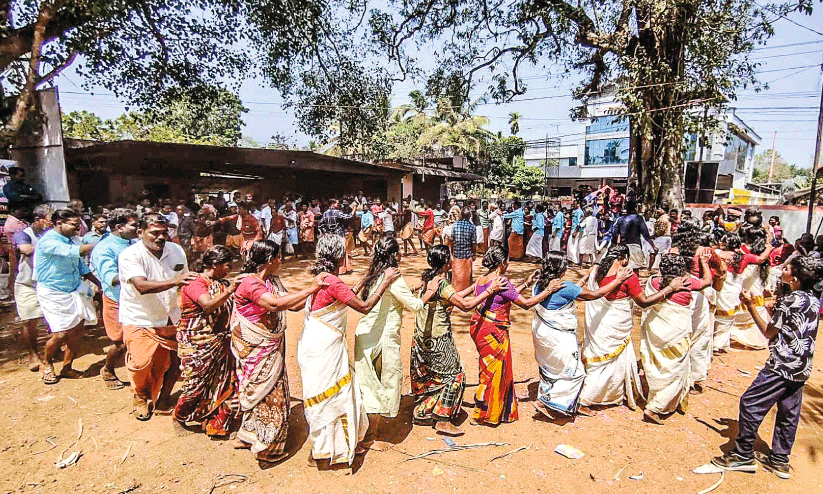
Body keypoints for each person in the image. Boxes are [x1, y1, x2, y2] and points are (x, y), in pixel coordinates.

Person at [712, 257, 823, 479]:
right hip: (801, 366)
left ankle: (743, 454)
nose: (782, 269)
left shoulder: (789, 300)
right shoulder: (812, 300)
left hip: (781, 365)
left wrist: (751, 305)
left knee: (750, 402)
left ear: (794, 278)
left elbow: (769, 332)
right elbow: (789, 324)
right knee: (788, 411)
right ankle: (780, 459)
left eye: (786, 268)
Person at [299, 234, 399, 467]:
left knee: (328, 395)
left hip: (317, 346)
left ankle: (325, 449)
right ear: (338, 255)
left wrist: (366, 276)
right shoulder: (333, 282)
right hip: (324, 348)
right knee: (333, 396)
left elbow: (346, 294)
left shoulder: (324, 278)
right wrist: (384, 280)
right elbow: (363, 307)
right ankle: (323, 451)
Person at [230, 240, 326, 463]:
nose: (281, 261)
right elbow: (274, 305)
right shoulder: (249, 284)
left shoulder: (271, 281)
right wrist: (312, 288)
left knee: (261, 390)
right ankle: (267, 448)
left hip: (269, 347)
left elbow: (290, 305)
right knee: (270, 394)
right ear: (270, 260)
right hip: (257, 349)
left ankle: (247, 436)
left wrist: (316, 294)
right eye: (279, 257)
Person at [580, 245, 688, 409]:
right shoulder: (627, 276)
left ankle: (610, 394)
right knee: (609, 363)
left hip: (599, 326)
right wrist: (669, 289)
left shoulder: (597, 271)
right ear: (623, 258)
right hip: (616, 325)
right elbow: (643, 302)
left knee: (602, 362)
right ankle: (586, 399)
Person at [412, 244, 504, 436]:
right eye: (450, 259)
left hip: (423, 338)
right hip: (438, 339)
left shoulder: (428, 278)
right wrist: (490, 290)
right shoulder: (442, 283)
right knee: (455, 376)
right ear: (446, 263)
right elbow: (464, 305)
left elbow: (452, 298)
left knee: (436, 378)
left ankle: (423, 412)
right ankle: (443, 421)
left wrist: (475, 286)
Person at [530, 251, 630, 418]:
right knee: (574, 372)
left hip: (542, 334)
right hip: (558, 337)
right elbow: (594, 295)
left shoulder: (540, 285)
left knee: (553, 367)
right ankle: (548, 403)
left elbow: (570, 292)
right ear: (561, 269)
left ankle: (548, 396)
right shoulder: (564, 287)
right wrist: (619, 280)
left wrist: (586, 276)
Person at [468, 246, 559, 425]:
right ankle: (487, 414)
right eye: (507, 261)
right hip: (494, 332)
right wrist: (548, 290)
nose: (508, 264)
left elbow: (504, 296)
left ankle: (489, 408)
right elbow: (525, 304)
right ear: (501, 263)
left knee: (487, 369)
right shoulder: (501, 281)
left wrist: (527, 283)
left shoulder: (481, 279)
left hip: (481, 329)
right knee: (494, 372)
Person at [118, 213, 196, 420]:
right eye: (154, 233)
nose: (161, 237)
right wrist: (176, 282)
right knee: (141, 363)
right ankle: (140, 396)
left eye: (164, 232)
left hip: (171, 314)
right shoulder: (130, 255)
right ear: (140, 232)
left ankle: (164, 399)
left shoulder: (176, 250)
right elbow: (141, 286)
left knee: (172, 361)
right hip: (140, 316)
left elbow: (186, 281)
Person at [354, 237, 424, 441]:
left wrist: (414, 288)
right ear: (394, 255)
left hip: (366, 336)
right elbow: (416, 306)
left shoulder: (373, 274)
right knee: (382, 384)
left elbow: (392, 296)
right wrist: (429, 290)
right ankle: (371, 437)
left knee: (368, 383)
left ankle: (366, 433)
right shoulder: (393, 278)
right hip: (382, 340)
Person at [173, 246, 238, 437]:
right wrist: (230, 290)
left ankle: (216, 424)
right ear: (215, 264)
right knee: (195, 384)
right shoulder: (196, 283)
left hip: (220, 342)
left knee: (223, 382)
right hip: (197, 343)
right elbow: (208, 305)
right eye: (227, 264)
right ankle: (179, 417)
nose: (230, 268)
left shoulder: (220, 283)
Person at [640, 253, 710, 424]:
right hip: (676, 333)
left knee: (659, 364)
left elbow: (647, 301)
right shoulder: (687, 282)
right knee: (675, 369)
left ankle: (656, 393)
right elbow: (707, 281)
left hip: (656, 331)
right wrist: (703, 263)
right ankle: (656, 407)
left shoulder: (654, 281)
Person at [34, 209, 100, 384]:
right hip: (53, 292)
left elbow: (81, 267)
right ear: (58, 223)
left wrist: (99, 284)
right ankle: (46, 363)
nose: (78, 229)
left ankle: (67, 367)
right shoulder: (48, 241)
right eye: (73, 225)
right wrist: (100, 244)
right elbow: (75, 252)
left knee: (77, 331)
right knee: (61, 334)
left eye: (79, 225)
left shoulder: (72, 240)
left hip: (75, 289)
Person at [90, 210, 140, 390]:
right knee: (121, 342)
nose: (137, 228)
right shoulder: (104, 248)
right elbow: (110, 277)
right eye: (133, 225)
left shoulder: (134, 243)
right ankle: (108, 369)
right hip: (117, 300)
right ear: (119, 227)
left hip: (138, 298)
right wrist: (140, 277)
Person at [713, 233, 773, 354]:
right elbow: (761, 259)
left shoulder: (718, 254)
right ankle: (718, 345)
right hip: (733, 291)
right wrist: (769, 248)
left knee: (718, 316)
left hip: (718, 288)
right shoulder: (744, 257)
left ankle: (718, 343)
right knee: (728, 317)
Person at [12, 204, 52, 371]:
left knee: (53, 317)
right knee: (29, 320)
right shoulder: (23, 234)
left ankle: (52, 349)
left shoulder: (51, 234)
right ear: (39, 220)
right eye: (50, 220)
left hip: (49, 283)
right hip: (27, 284)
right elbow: (26, 249)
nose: (52, 223)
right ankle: (33, 354)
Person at [613, 201, 655, 271]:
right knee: (635, 270)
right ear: (635, 208)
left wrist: (615, 246)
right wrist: (653, 245)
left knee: (623, 269)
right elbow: (645, 234)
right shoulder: (638, 218)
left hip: (623, 247)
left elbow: (614, 234)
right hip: (635, 246)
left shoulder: (619, 219)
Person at [446, 208, 477, 291]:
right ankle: (466, 290)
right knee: (467, 275)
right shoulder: (472, 227)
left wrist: (452, 252)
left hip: (457, 254)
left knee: (457, 274)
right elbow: (473, 243)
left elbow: (451, 241)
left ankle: (456, 290)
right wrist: (474, 254)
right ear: (469, 216)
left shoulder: (455, 226)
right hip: (467, 255)